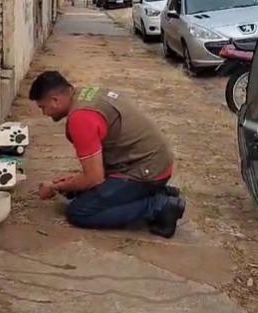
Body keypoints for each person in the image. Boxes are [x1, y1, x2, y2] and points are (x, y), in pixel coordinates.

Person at [29, 71, 186, 238]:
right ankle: (159, 192)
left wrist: (56, 187)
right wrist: (70, 184)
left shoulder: (81, 118)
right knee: (79, 192)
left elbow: (94, 178)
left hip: (147, 171)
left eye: (43, 107)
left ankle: (158, 206)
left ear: (55, 100)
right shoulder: (87, 94)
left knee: (79, 212)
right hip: (153, 162)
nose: (44, 114)